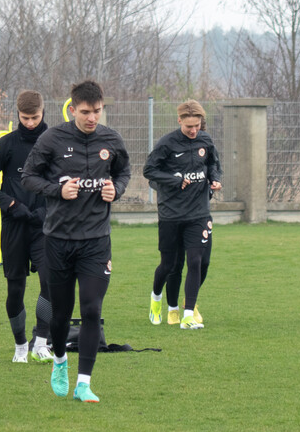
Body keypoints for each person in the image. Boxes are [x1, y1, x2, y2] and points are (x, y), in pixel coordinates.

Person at [22, 80, 130, 403]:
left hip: (96, 241)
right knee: (60, 313)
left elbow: (124, 173)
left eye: (97, 111)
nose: (92, 118)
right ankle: (59, 361)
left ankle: (84, 383)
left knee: (92, 309)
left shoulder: (111, 140)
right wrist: (58, 190)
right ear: (72, 109)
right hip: (58, 240)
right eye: (85, 112)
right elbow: (28, 177)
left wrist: (117, 190)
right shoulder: (52, 139)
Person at [0, 90, 54, 363]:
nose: (31, 123)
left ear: (43, 112)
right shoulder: (7, 144)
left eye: (35, 117)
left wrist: (46, 210)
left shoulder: (54, 142)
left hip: (46, 227)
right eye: (25, 118)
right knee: (15, 289)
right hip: (14, 226)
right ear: (17, 115)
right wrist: (11, 205)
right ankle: (20, 345)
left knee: (51, 283)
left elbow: (65, 183)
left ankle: (41, 342)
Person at [143, 100, 222, 329]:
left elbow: (214, 164)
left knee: (197, 261)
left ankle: (188, 313)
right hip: (171, 214)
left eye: (197, 125)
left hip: (199, 212)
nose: (193, 130)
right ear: (179, 121)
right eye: (189, 126)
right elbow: (149, 171)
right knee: (169, 265)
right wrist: (176, 180)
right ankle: (157, 300)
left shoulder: (205, 140)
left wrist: (215, 179)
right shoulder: (167, 143)